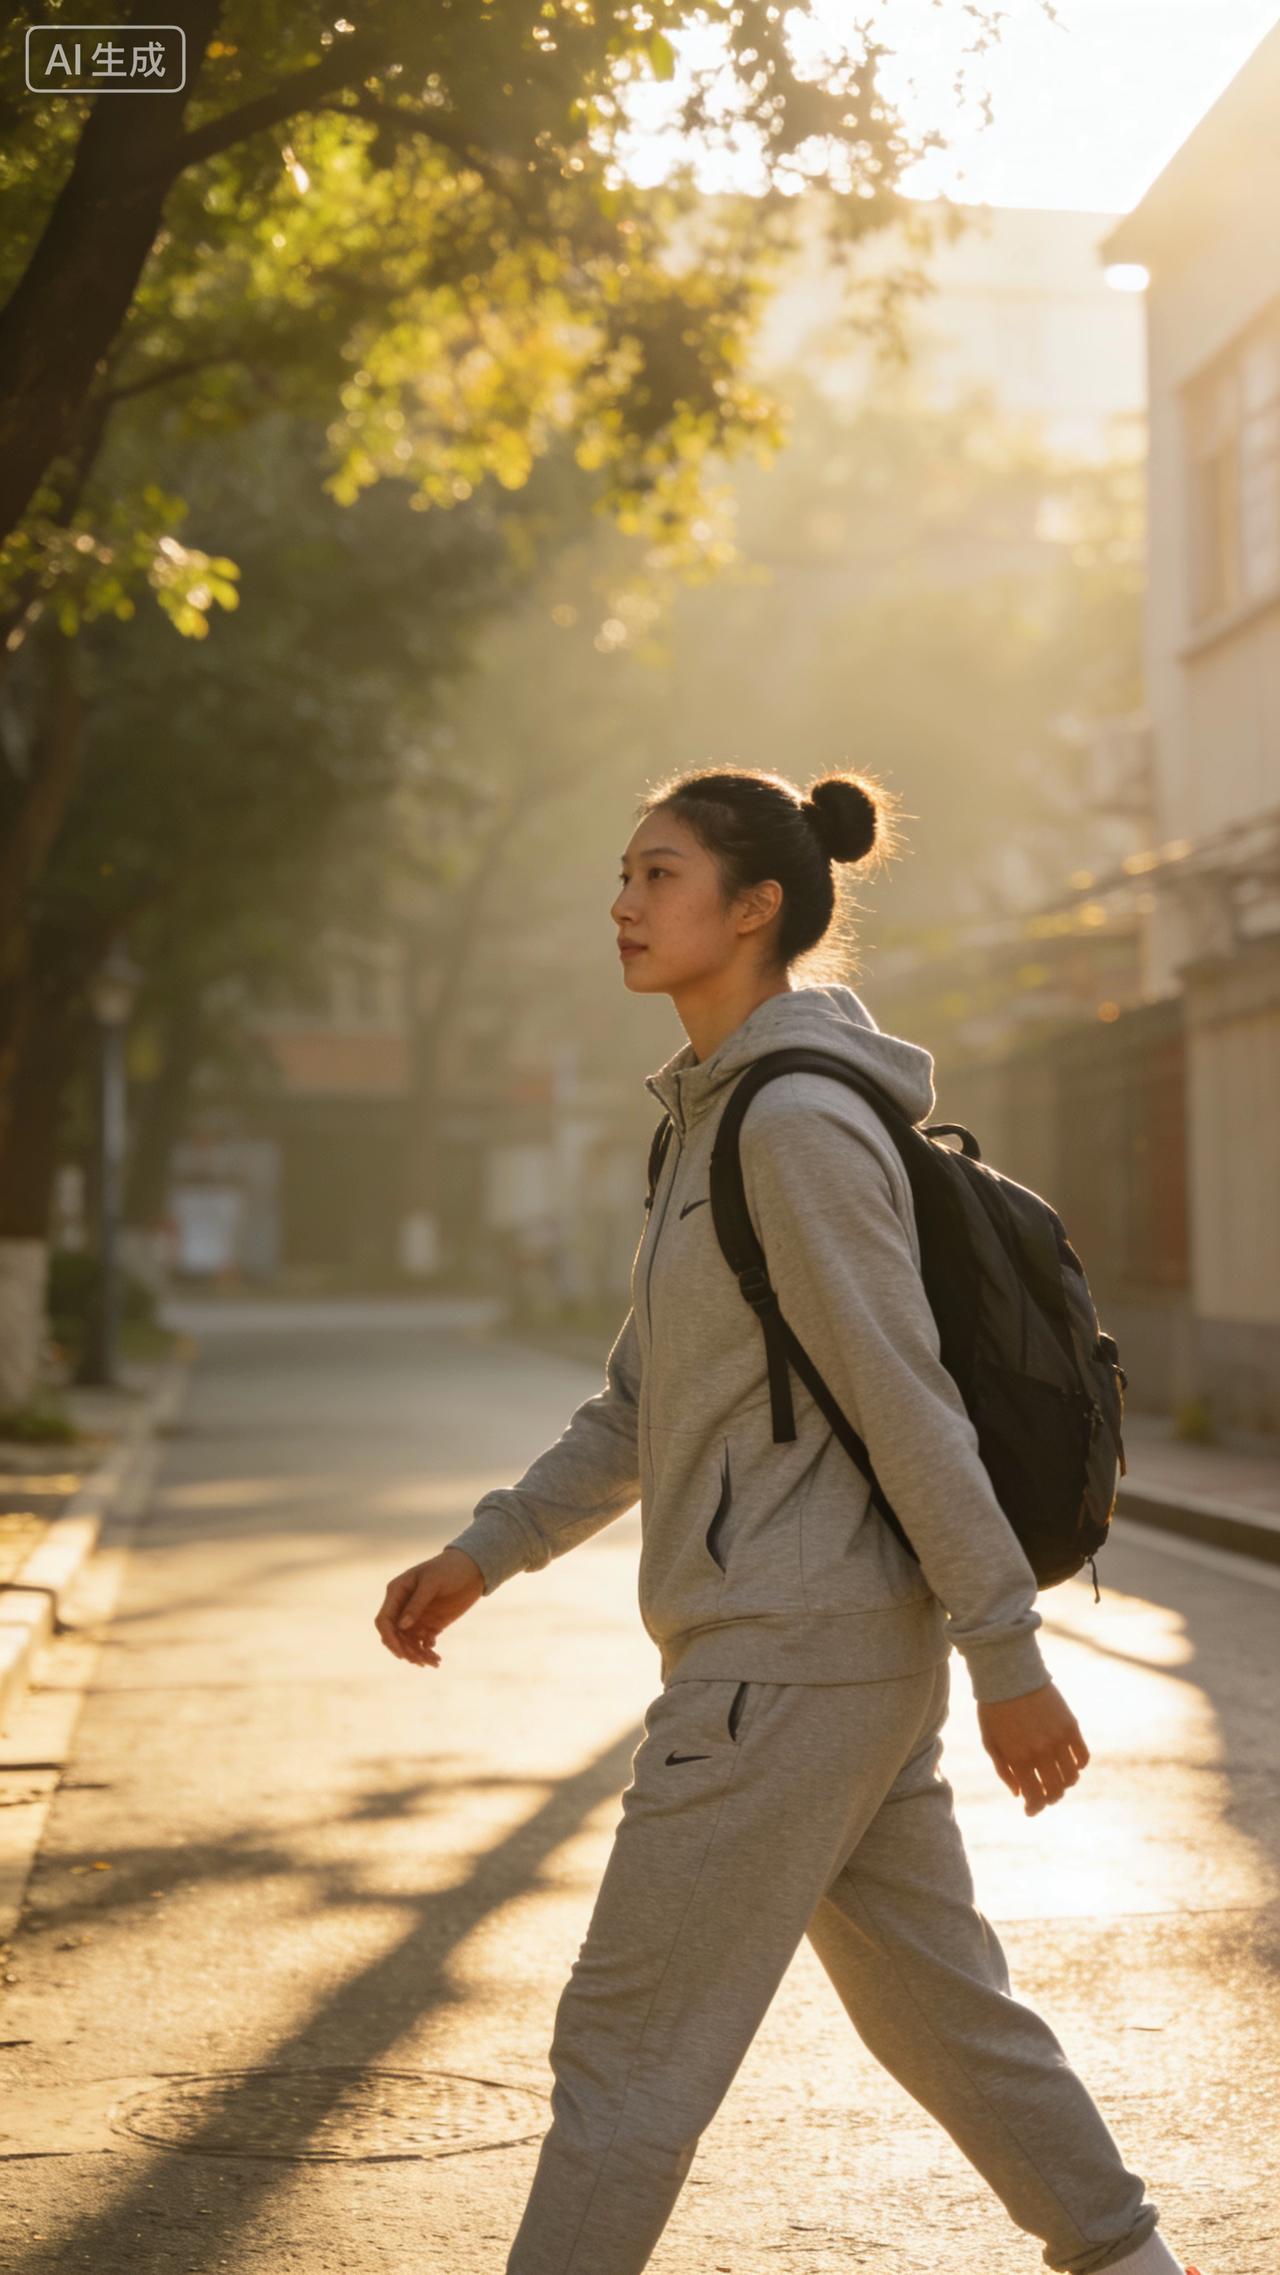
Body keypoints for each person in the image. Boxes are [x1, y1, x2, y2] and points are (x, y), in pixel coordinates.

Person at [375, 767, 1205, 2275]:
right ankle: (1132, 2261)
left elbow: (904, 1401)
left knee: (627, 2053)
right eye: (622, 873)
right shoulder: (706, 1125)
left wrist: (1008, 1656)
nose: (625, 904)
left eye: (662, 874)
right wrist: (485, 1550)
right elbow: (639, 1406)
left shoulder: (793, 1126)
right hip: (823, 1663)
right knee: (949, 2018)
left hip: (782, 1664)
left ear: (757, 907)